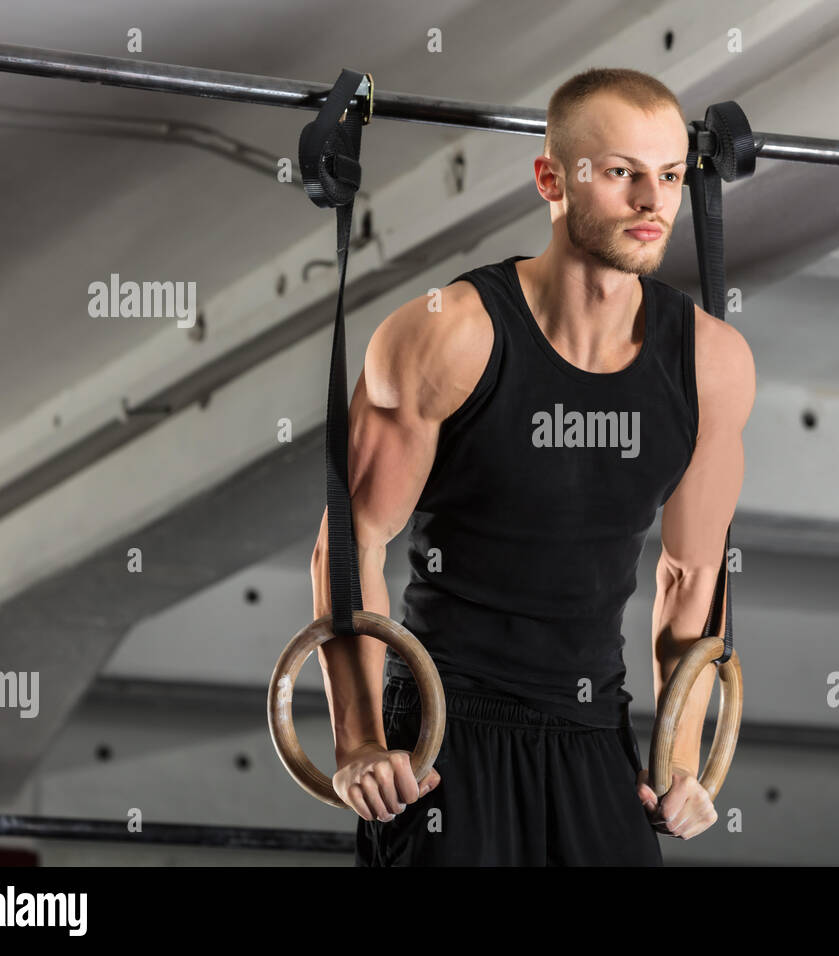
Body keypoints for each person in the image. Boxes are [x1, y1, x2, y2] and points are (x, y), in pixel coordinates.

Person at [309, 66, 755, 866]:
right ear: (552, 178)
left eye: (670, 176)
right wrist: (361, 741)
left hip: (593, 731)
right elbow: (351, 545)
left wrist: (681, 762)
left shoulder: (712, 365)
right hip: (446, 728)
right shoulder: (448, 337)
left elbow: (692, 576)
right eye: (622, 174)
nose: (654, 203)